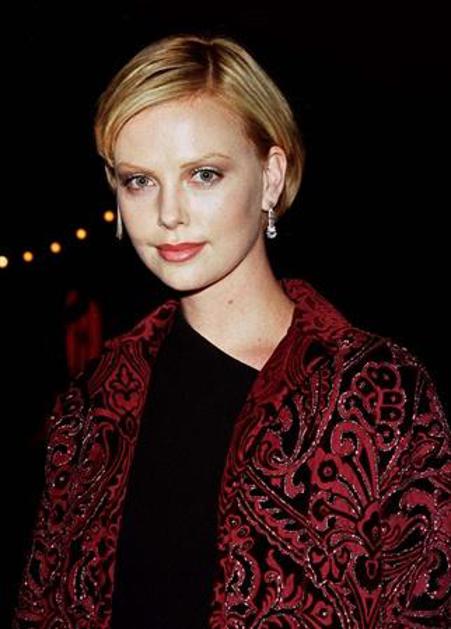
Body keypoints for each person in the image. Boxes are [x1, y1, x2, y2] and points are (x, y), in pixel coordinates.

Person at [13, 32, 450, 629]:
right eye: (140, 180)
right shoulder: (91, 404)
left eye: (203, 174)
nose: (168, 214)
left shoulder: (376, 393)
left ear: (270, 177)